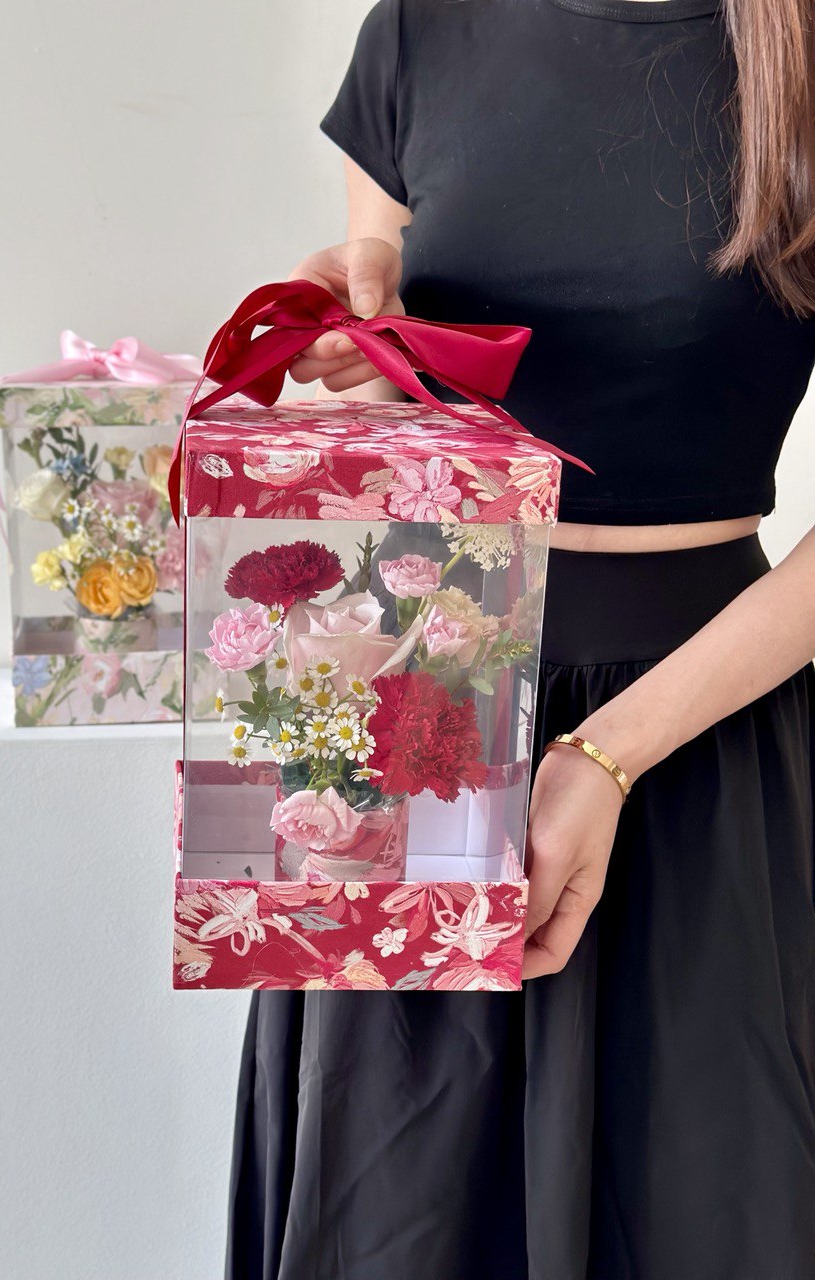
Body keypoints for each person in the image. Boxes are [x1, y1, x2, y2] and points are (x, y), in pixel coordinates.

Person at [225, 3, 815, 1277]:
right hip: (416, 721)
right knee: (393, 1226)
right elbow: (400, 395)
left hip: (699, 753)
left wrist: (606, 756)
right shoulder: (420, 30)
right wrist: (357, 319)